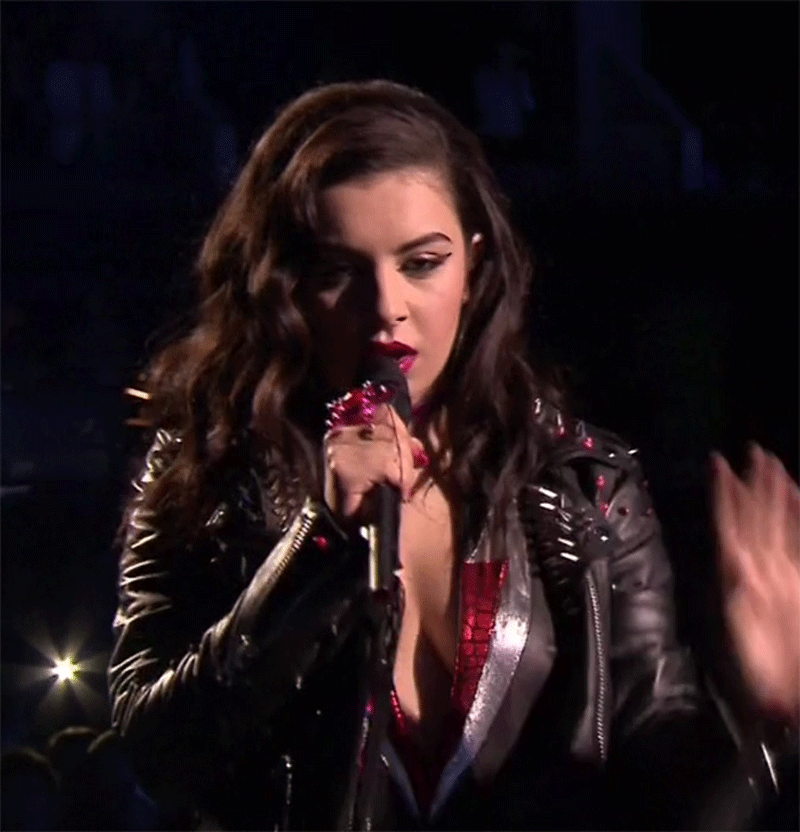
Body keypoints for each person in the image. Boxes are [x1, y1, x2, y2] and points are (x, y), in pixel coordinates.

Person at [108, 79, 798, 830]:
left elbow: (662, 796)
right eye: (338, 272)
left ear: (473, 267)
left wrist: (759, 713)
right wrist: (318, 546)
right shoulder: (209, 473)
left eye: (421, 263)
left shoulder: (580, 486)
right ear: (285, 289)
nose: (386, 308)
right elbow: (159, 753)